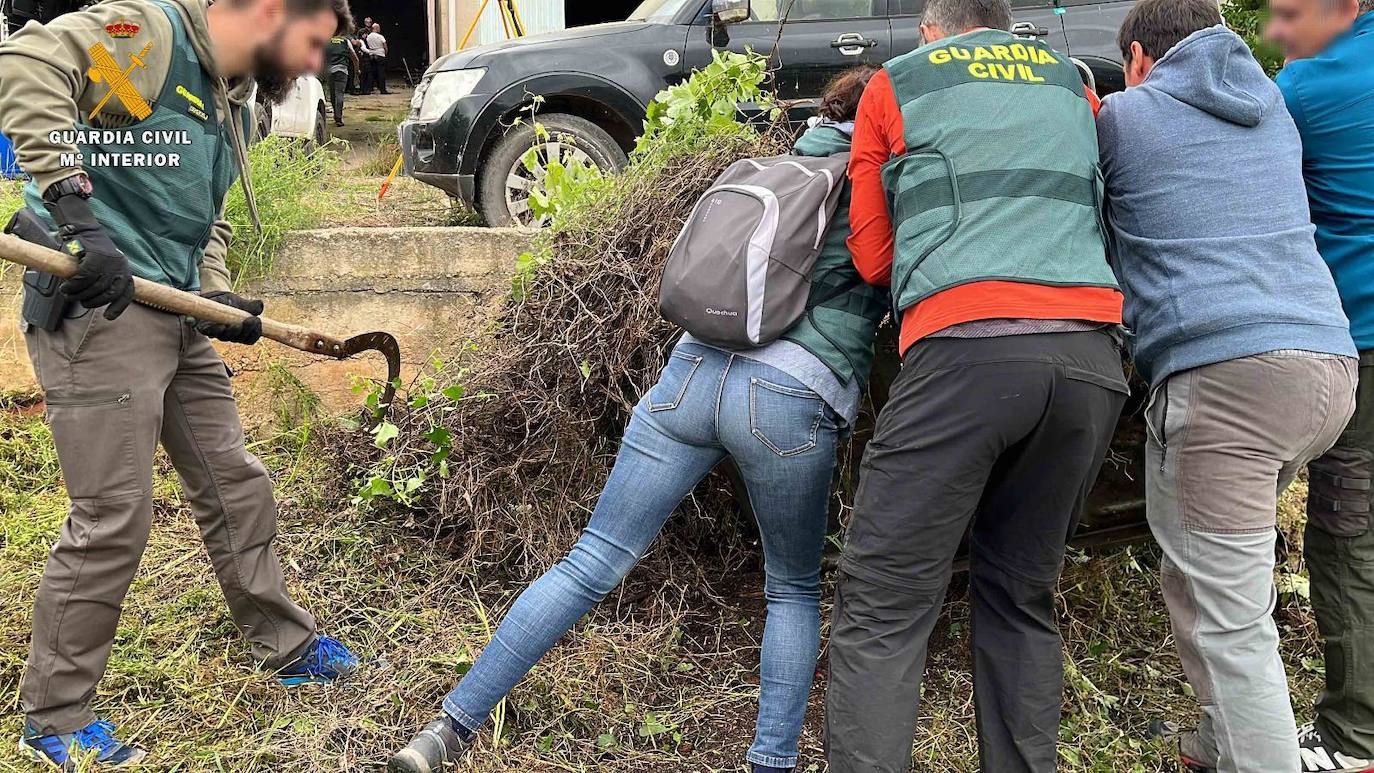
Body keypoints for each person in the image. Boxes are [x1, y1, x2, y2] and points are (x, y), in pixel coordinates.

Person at [387, 67, 891, 773]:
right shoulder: (880, 182)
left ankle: (444, 731)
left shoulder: (779, 164)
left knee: (589, 561)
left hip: (688, 376)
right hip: (789, 398)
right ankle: (770, 762)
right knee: (793, 587)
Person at [0, 0, 360, 767]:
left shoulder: (235, 106)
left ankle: (283, 642)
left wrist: (217, 294)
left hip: (174, 310)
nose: (312, 65)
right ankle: (56, 717)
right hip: (99, 310)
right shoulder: (149, 40)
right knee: (113, 515)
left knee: (235, 480)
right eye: (311, 43)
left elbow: (210, 220)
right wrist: (74, 211)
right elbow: (27, 62)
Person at [826, 0, 1129, 769]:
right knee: (1020, 596)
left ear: (934, 29)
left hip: (965, 354)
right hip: (1091, 363)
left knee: (884, 604)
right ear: (999, 22)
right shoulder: (1073, 82)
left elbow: (872, 258)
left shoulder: (893, 84)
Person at [1094, 0, 1360, 770]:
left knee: (1227, 621)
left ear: (1141, 57)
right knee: (1215, 576)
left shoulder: (1123, 117)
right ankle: (1222, 741)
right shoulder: (1271, 108)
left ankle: (1254, 753)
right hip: (1325, 367)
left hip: (1228, 381)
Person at [1268, 0, 1374, 769]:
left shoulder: (1306, 87)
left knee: (1348, 531)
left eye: (1289, 13)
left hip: (1359, 338)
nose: (1276, 31)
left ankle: (1352, 736)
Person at [325, 23, 358, 126]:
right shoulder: (345, 41)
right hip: (342, 70)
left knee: (332, 94)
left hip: (329, 71)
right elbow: (354, 57)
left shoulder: (326, 41)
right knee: (339, 94)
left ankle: (336, 115)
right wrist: (357, 71)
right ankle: (338, 118)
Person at [362, 21, 388, 95]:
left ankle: (369, 89)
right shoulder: (380, 36)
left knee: (371, 73)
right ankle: (382, 90)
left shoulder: (369, 36)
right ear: (376, 28)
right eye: (379, 28)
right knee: (381, 73)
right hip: (380, 54)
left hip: (371, 55)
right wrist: (385, 54)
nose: (379, 29)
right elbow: (385, 46)